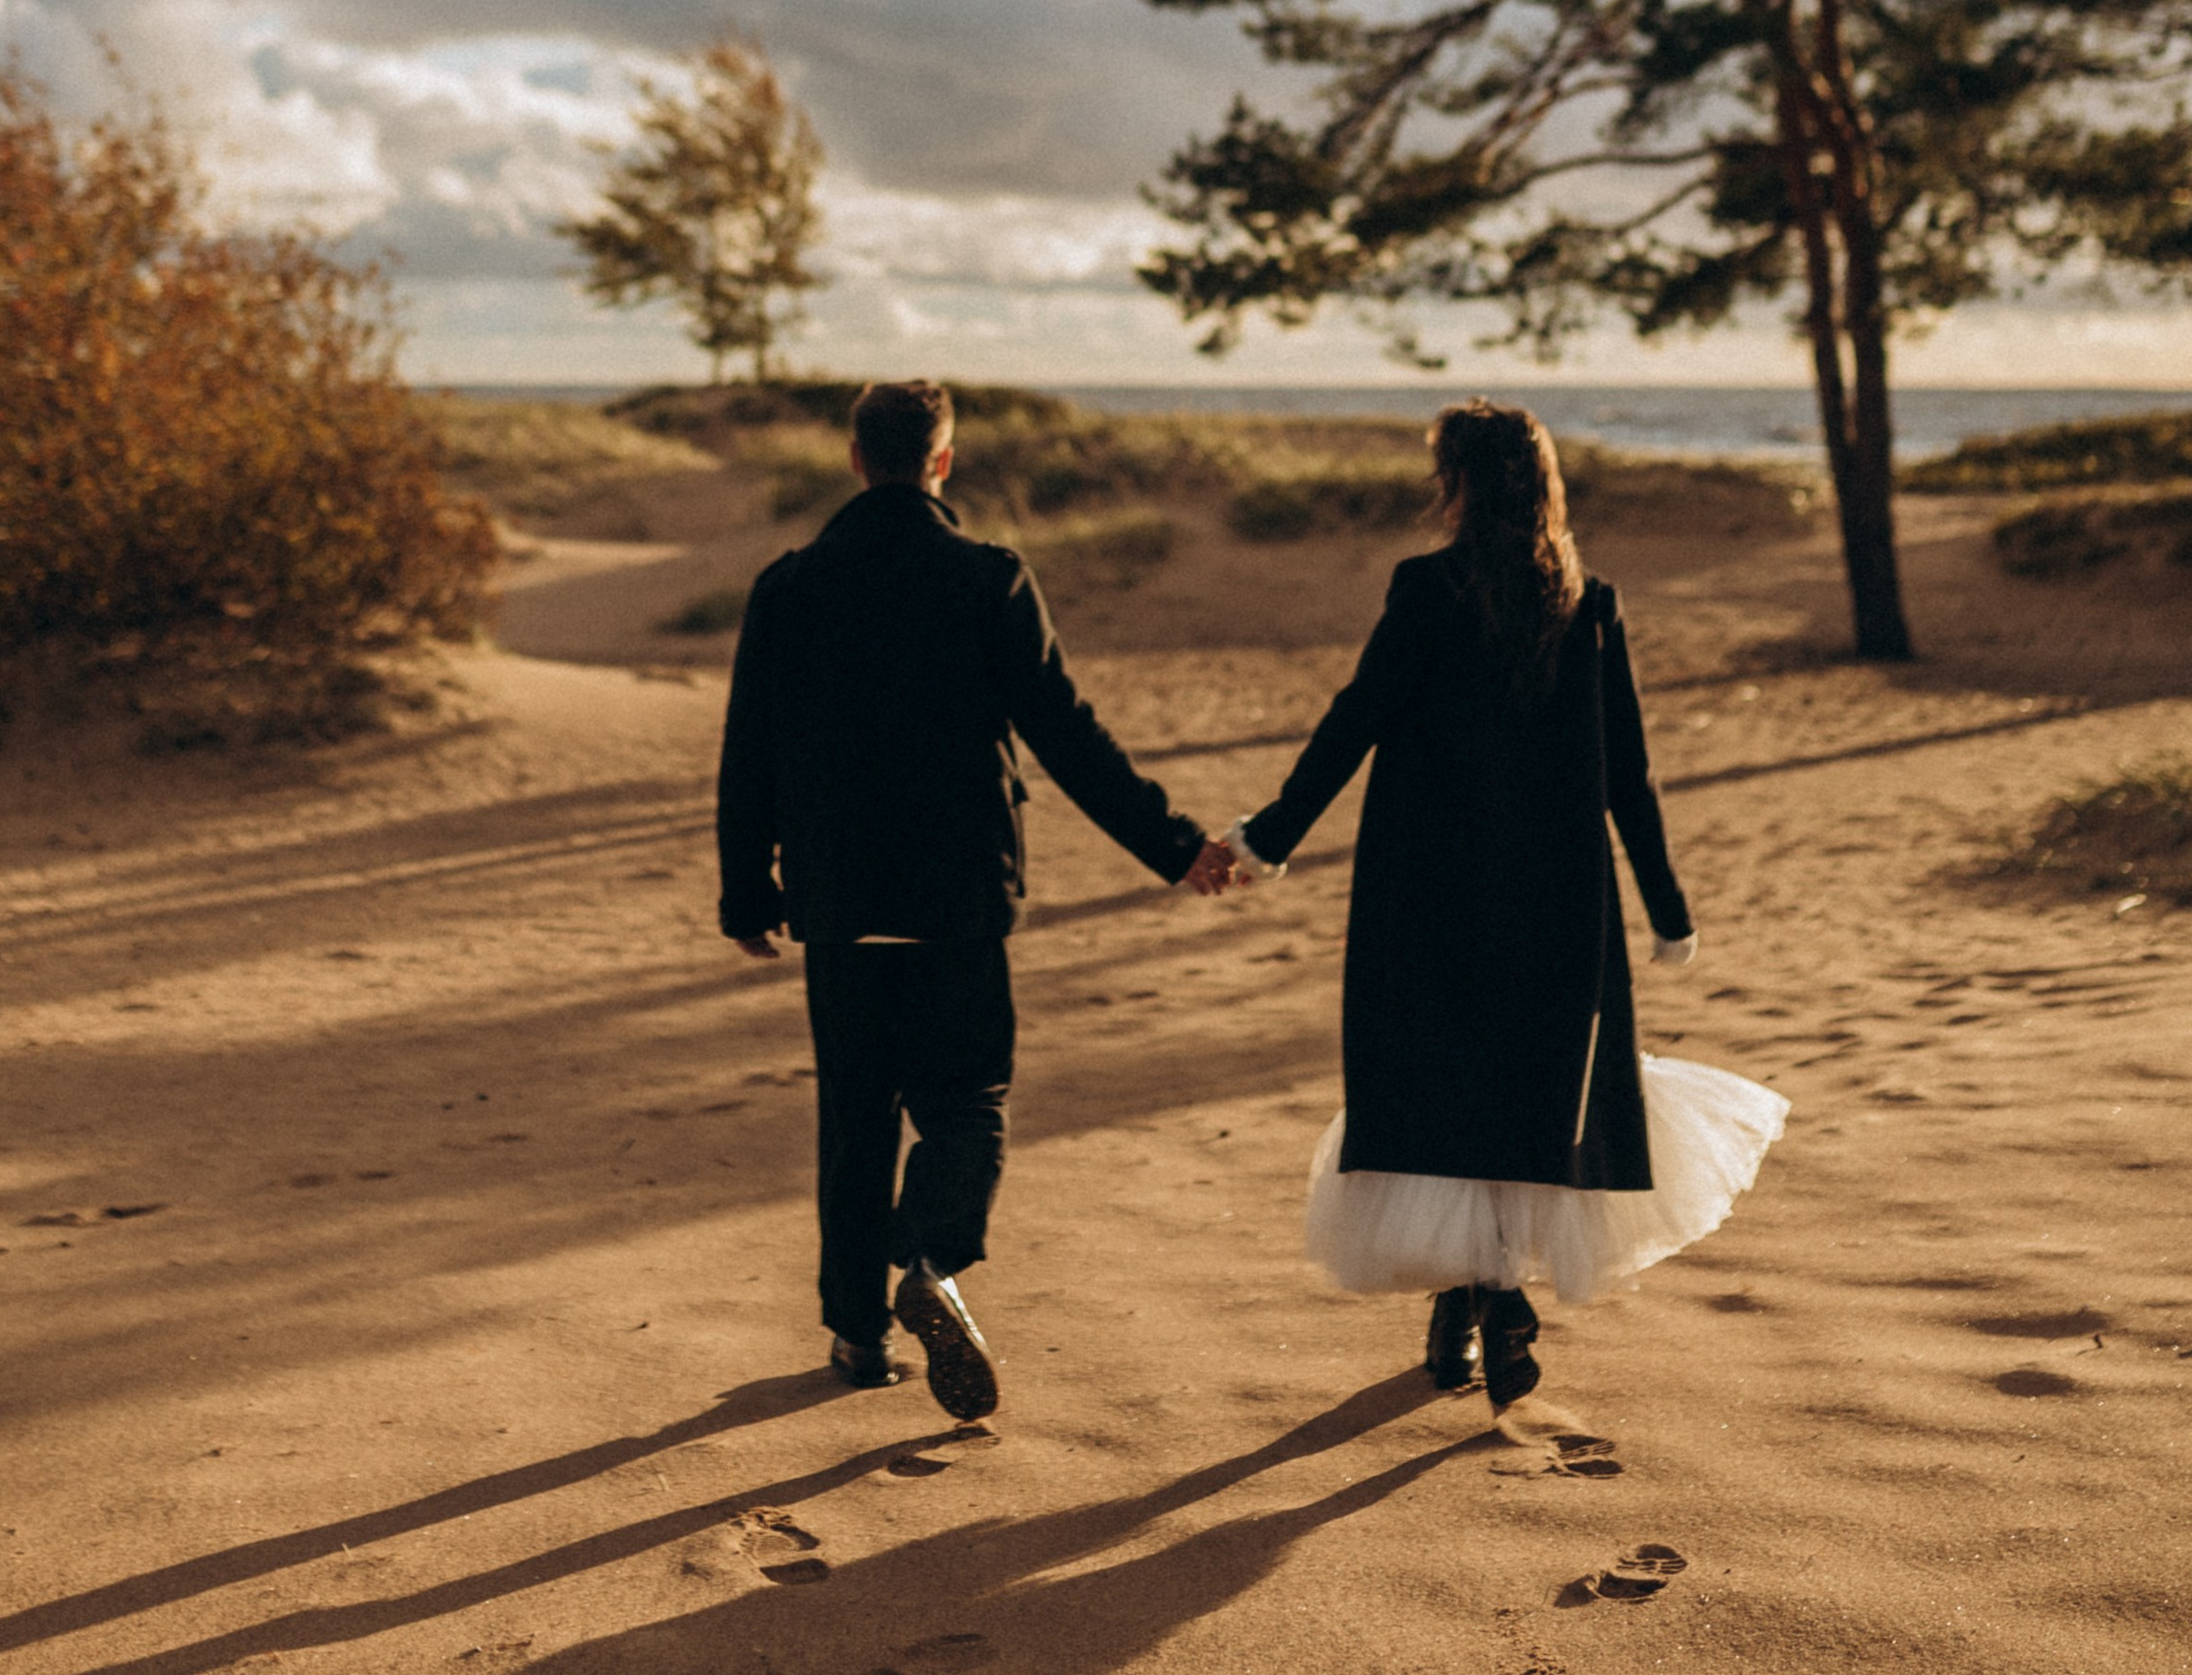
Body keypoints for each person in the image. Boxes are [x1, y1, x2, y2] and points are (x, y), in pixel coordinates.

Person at [1222, 399, 1785, 1421]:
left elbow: (1356, 721)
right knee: (1525, 1102)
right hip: (1555, 899)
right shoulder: (1590, 602)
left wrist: (1270, 836)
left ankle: (1475, 1302)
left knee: (1441, 1091)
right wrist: (1666, 910)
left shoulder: (1424, 588)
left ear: (1458, 484)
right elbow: (1630, 775)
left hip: (1428, 891)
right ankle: (1484, 1302)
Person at [718, 376, 1236, 1417]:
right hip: (958, 893)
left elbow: (750, 749)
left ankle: (857, 1336)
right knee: (968, 1101)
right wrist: (1172, 845)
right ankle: (929, 1254)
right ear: (941, 461)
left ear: (857, 459)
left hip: (840, 894)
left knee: (855, 1117)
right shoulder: (986, 578)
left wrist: (748, 887)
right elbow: (1066, 732)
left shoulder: (790, 585)